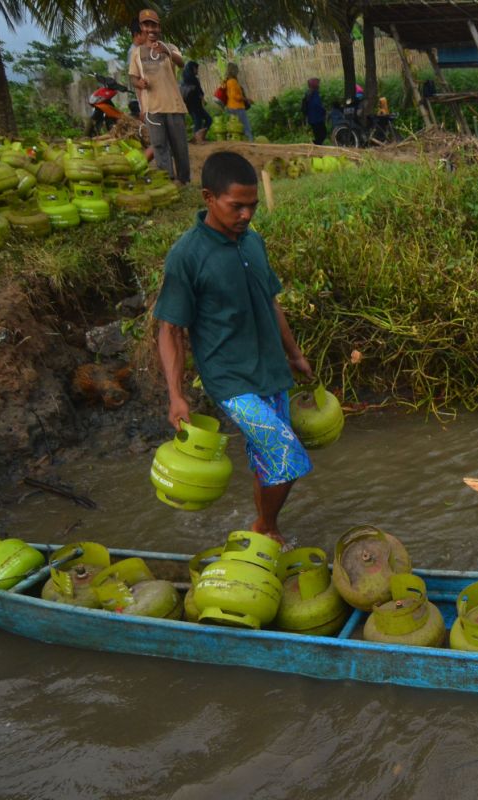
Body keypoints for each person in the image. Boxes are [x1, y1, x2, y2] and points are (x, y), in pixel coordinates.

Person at [154, 152, 314, 545]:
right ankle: (264, 527)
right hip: (230, 378)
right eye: (236, 206)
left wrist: (294, 354)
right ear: (209, 198)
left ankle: (266, 525)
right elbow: (170, 329)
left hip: (270, 368)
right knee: (285, 455)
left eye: (252, 206)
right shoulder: (187, 255)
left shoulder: (253, 242)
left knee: (268, 460)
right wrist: (176, 397)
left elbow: (270, 301)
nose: (246, 215)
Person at [128, 9, 190, 183]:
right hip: (152, 108)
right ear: (142, 27)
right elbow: (133, 77)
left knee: (179, 147)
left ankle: (183, 179)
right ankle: (167, 179)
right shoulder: (137, 53)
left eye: (154, 25)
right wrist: (139, 83)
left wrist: (166, 51)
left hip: (173, 105)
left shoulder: (170, 47)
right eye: (147, 25)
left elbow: (181, 62)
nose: (151, 29)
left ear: (159, 27)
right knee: (159, 145)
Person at [180, 61, 212, 143]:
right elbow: (200, 93)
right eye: (197, 68)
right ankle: (198, 138)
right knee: (205, 120)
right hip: (196, 105)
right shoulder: (194, 79)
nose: (197, 70)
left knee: (199, 121)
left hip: (189, 105)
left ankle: (198, 138)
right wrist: (203, 101)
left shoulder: (184, 80)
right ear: (193, 68)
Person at [222, 63, 254, 142]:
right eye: (237, 70)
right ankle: (251, 143)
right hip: (237, 107)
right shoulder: (233, 81)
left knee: (234, 129)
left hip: (230, 106)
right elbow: (235, 96)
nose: (238, 71)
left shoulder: (227, 81)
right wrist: (246, 99)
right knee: (246, 127)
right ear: (234, 71)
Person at [301, 77, 326, 145]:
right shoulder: (314, 93)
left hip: (312, 119)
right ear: (315, 85)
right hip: (317, 119)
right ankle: (316, 146)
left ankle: (316, 145)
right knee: (322, 135)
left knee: (319, 135)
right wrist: (323, 110)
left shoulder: (308, 93)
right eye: (318, 83)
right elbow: (317, 105)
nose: (319, 85)